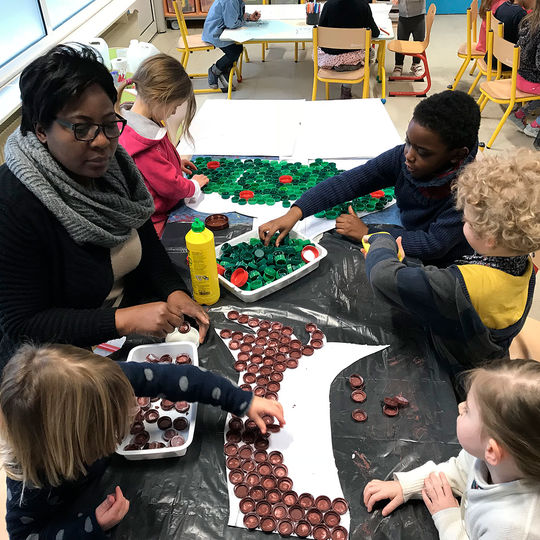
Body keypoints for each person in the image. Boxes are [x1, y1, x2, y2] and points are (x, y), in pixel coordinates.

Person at [0, 44, 210, 370]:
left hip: (124, 321)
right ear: (41, 129)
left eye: (110, 123)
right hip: (55, 362)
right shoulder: (14, 204)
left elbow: (146, 241)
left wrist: (172, 290)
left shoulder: (115, 167)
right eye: (81, 128)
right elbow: (24, 324)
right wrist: (122, 320)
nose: (101, 142)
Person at [0, 343, 286, 538]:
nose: (136, 411)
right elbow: (26, 536)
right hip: (75, 510)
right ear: (79, 444)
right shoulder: (31, 483)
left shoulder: (104, 383)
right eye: (114, 428)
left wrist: (241, 400)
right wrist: (92, 525)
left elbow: (180, 378)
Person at [259, 90, 480, 268]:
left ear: (457, 156)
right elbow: (351, 182)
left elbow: (434, 245)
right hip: (407, 232)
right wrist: (296, 212)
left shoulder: (468, 192)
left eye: (423, 152)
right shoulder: (402, 158)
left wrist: (368, 234)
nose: (409, 155)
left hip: (446, 263)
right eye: (408, 142)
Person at [362, 150, 539, 368]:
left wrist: (381, 241)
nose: (462, 220)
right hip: (490, 349)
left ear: (491, 238)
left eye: (467, 220)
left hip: (459, 367)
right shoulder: (523, 263)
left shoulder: (462, 285)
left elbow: (383, 278)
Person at [363, 358, 540, 539]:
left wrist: (449, 518)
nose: (460, 406)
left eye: (468, 410)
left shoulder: (512, 529)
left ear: (492, 451)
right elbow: (460, 470)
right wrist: (406, 486)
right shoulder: (495, 459)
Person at [117, 54, 209, 235]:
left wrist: (174, 163)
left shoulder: (137, 120)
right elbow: (170, 187)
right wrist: (194, 186)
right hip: (156, 221)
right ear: (160, 98)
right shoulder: (142, 141)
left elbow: (155, 166)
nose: (174, 111)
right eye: (175, 106)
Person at [317, 0, 380, 99]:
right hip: (354, 60)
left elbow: (320, 33)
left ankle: (341, 73)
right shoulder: (363, 5)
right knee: (371, 53)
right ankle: (346, 90)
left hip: (329, 60)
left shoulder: (328, 5)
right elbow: (375, 33)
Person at [202, 0, 261, 91]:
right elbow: (232, 24)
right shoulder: (230, 1)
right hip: (216, 33)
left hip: (222, 30)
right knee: (235, 50)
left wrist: (249, 17)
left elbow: (235, 15)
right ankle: (215, 70)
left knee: (237, 47)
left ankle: (225, 71)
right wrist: (243, 20)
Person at [510, 2, 540, 137]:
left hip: (519, 75)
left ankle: (520, 114)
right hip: (531, 81)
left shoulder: (528, 20)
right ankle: (536, 126)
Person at [391, 0, 426, 78]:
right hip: (403, 15)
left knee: (418, 41)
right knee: (401, 41)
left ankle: (416, 64)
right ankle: (398, 65)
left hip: (418, 14)